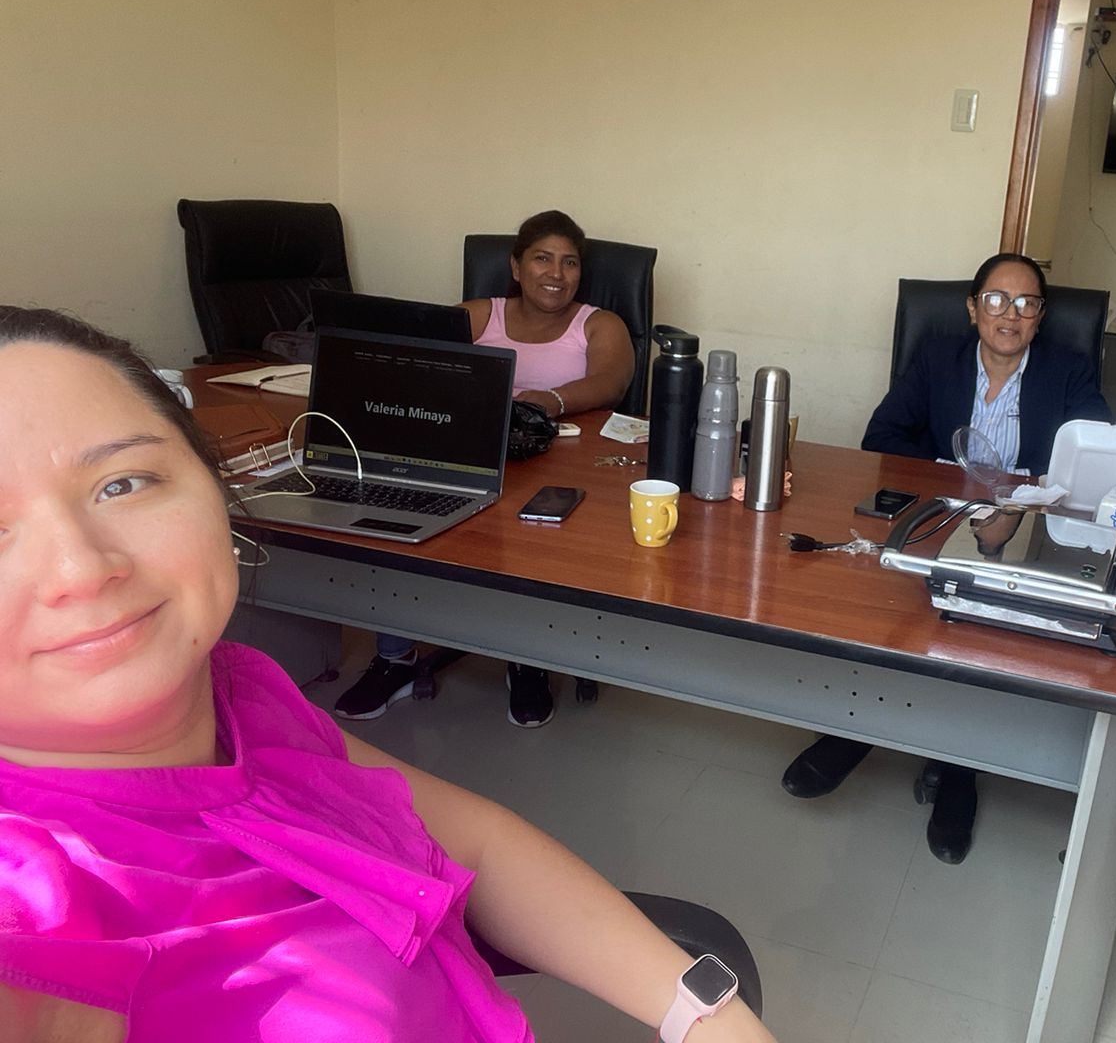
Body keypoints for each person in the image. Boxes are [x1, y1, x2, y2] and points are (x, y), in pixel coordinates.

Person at [0, 306, 774, 1043]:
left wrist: (703, 1011)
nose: (80, 568)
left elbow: (478, 844)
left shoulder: (241, 691)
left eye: (123, 483)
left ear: (214, 484)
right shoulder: (30, 903)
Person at [781, 253, 1111, 864]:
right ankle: (855, 731)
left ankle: (960, 770)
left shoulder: (1067, 371)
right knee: (895, 609)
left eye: (1026, 303)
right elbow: (882, 438)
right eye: (996, 300)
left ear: (1040, 317)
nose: (1010, 314)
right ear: (972, 308)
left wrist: (1020, 495)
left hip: (1024, 532)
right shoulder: (937, 358)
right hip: (936, 518)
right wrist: (952, 483)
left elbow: (1093, 460)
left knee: (977, 636)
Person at [336, 209, 634, 728]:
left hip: (555, 467)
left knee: (533, 540)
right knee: (396, 524)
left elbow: (611, 382)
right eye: (542, 258)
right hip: (469, 457)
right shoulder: (480, 315)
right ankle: (394, 659)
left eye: (569, 262)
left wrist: (550, 400)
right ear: (516, 266)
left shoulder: (599, 323)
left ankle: (527, 661)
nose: (556, 273)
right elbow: (417, 364)